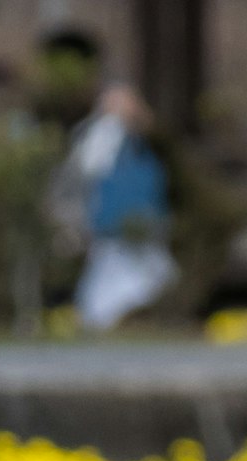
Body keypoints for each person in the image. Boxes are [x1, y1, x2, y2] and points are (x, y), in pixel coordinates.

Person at [67, 81, 175, 330]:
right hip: (110, 223)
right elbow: (86, 176)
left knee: (151, 274)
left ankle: (114, 320)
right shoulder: (101, 135)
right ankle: (98, 321)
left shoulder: (142, 140)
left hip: (143, 220)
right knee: (109, 275)